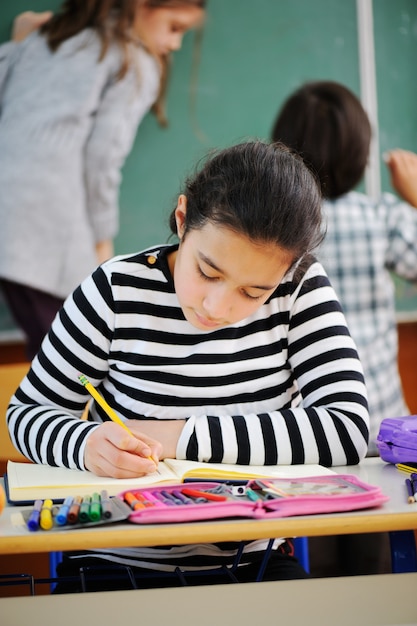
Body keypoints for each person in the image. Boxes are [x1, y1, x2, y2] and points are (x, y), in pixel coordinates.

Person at [7, 140, 369, 591]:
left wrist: (176, 435)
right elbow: (25, 414)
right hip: (114, 559)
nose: (217, 307)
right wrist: (84, 444)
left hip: (250, 561)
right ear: (183, 220)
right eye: (208, 272)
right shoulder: (116, 291)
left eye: (252, 292)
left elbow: (347, 429)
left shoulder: (299, 291)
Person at [0, 0, 205, 360]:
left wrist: (18, 42)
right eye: (174, 28)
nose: (175, 45)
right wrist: (101, 242)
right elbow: (101, 162)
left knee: (52, 352)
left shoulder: (52, 37)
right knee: (72, 355)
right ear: (141, 6)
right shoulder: (135, 63)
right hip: (43, 229)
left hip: (12, 226)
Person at [271, 80, 417, 577]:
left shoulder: (276, 228)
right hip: (378, 425)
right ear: (361, 150)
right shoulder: (382, 218)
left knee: (316, 553)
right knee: (375, 553)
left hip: (301, 428)